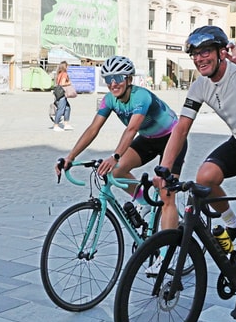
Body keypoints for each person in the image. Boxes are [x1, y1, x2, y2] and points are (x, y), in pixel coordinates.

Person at [156, 26, 236, 322]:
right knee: (205, 178)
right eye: (195, 54)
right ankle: (231, 223)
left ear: (220, 52)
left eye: (205, 52)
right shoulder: (199, 85)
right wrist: (165, 167)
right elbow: (181, 128)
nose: (200, 59)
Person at [55, 55, 187, 234]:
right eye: (108, 79)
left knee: (166, 193)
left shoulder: (141, 96)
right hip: (148, 139)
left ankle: (167, 255)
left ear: (129, 79)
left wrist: (115, 156)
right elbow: (93, 129)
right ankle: (145, 203)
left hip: (172, 138)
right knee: (117, 170)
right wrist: (70, 157)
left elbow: (132, 129)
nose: (113, 84)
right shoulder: (109, 99)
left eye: (118, 78)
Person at [52, 61, 73, 132]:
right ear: (65, 67)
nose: (68, 67)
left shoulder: (59, 74)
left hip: (58, 93)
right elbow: (63, 83)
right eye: (67, 66)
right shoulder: (64, 74)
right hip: (62, 93)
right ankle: (56, 125)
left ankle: (66, 124)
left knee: (67, 108)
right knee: (61, 109)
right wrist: (69, 83)